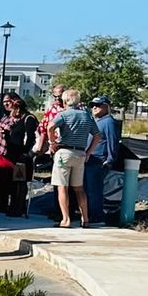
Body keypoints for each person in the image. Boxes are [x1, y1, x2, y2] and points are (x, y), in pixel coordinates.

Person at [48, 86, 98, 228]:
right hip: (80, 153)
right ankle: (85, 219)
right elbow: (97, 135)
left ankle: (66, 219)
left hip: (64, 152)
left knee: (62, 187)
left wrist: (52, 142)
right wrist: (88, 152)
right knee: (79, 188)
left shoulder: (64, 115)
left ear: (65, 101)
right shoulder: (87, 115)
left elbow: (50, 126)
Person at [0, 91, 38, 218]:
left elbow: (30, 139)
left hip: (22, 157)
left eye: (13, 108)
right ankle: (8, 205)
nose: (11, 112)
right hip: (11, 155)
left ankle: (18, 207)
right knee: (9, 182)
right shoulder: (15, 121)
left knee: (20, 183)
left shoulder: (29, 119)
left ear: (18, 108)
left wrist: (26, 154)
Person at [85, 96, 122, 226]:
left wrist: (110, 159)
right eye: (92, 105)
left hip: (99, 160)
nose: (94, 107)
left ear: (106, 106)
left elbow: (113, 142)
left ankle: (97, 216)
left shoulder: (108, 122)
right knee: (88, 189)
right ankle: (89, 214)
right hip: (90, 160)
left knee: (94, 190)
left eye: (98, 105)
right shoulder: (96, 121)